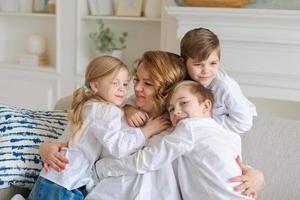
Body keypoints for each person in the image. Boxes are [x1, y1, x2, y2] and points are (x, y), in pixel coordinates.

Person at [40, 51, 264, 199]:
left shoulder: (183, 124)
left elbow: (218, 150)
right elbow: (80, 141)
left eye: (147, 83)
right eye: (136, 80)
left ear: (165, 90)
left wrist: (255, 174)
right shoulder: (115, 111)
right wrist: (47, 147)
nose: (136, 88)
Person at [26, 55, 169, 200]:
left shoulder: (89, 106)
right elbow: (118, 148)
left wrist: (127, 108)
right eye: (115, 83)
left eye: (125, 84)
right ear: (95, 86)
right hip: (67, 183)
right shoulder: (105, 111)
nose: (122, 90)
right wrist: (147, 131)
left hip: (55, 177)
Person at [95, 80, 254, 199]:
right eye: (170, 109)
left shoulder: (190, 128)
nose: (176, 111)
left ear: (206, 106)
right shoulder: (230, 136)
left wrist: (104, 167)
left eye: (183, 103)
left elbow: (149, 160)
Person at [180, 27, 257, 134]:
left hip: (239, 126)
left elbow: (243, 123)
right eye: (198, 64)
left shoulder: (225, 87)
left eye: (213, 63)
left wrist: (205, 120)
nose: (206, 71)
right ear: (184, 63)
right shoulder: (185, 83)